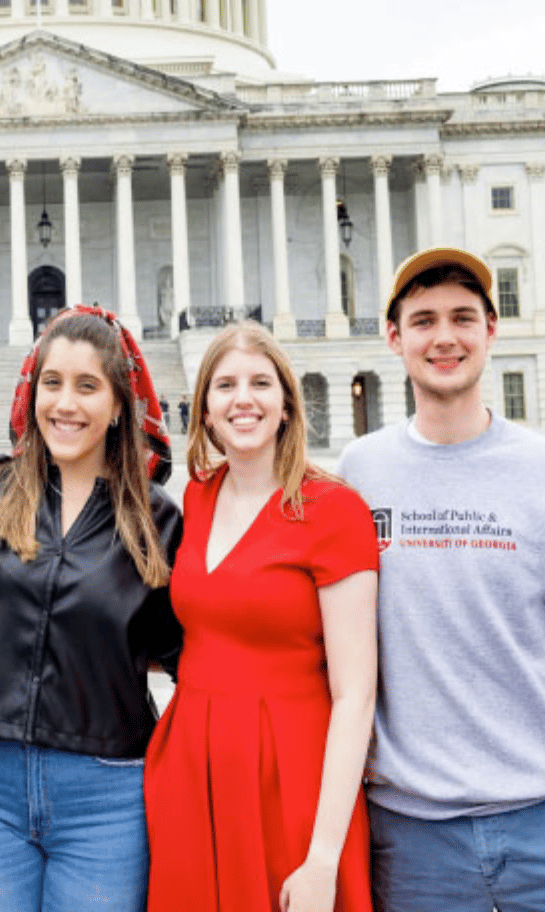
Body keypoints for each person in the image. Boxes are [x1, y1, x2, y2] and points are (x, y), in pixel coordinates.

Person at [338, 246, 545, 912]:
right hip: (412, 836)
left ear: (490, 330)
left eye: (462, 318)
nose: (444, 337)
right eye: (423, 321)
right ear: (393, 337)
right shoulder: (358, 474)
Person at [0, 306, 182, 912]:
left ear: (118, 404)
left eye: (87, 386)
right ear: (33, 392)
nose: (65, 404)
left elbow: (181, 653)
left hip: (106, 791)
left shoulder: (157, 521)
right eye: (52, 383)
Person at [144, 321, 380, 912]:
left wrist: (323, 855)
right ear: (204, 409)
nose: (242, 399)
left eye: (260, 383)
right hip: (192, 771)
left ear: (285, 405)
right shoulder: (198, 496)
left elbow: (356, 694)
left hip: (291, 776)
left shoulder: (334, 510)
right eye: (225, 385)